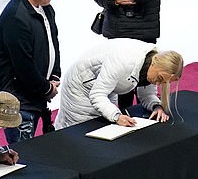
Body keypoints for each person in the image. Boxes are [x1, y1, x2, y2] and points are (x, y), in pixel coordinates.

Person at [0, 0, 61, 143]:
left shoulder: (46, 9)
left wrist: (55, 76)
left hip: (33, 94)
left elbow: (53, 44)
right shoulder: (16, 16)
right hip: (17, 100)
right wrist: (45, 88)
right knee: (23, 154)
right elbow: (23, 66)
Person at [55, 39, 183, 128]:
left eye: (164, 82)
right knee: (80, 130)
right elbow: (97, 95)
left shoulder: (154, 63)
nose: (159, 83)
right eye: (160, 78)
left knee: (103, 126)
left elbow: (147, 93)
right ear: (155, 63)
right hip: (81, 86)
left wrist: (156, 106)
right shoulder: (123, 61)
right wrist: (117, 116)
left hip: (108, 86)